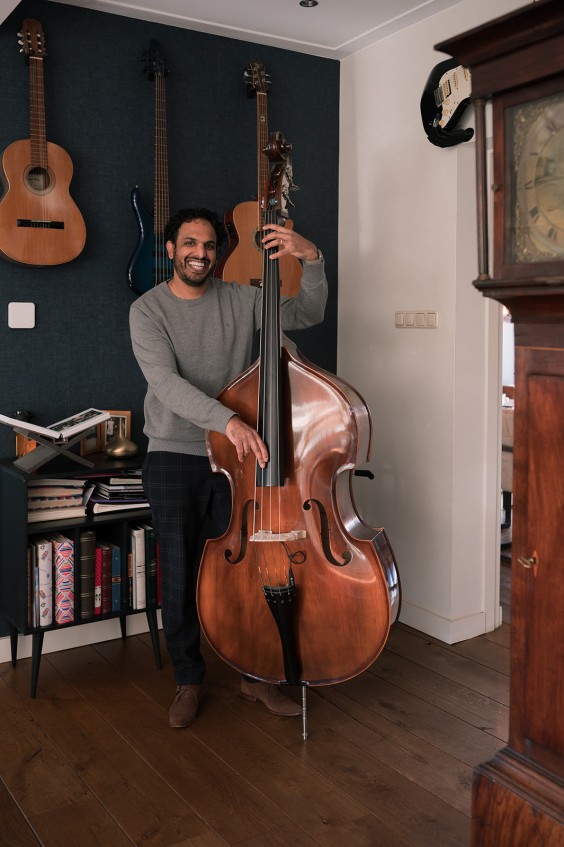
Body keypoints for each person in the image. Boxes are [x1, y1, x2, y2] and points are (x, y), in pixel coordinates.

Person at [129, 207, 328, 728]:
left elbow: (307, 314)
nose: (200, 253)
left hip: (239, 459)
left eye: (209, 245)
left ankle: (254, 674)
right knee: (179, 570)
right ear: (170, 250)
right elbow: (166, 385)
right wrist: (228, 421)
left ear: (218, 253)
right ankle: (188, 679)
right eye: (189, 244)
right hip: (176, 453)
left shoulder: (242, 299)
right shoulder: (147, 311)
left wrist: (312, 259)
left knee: (247, 571)